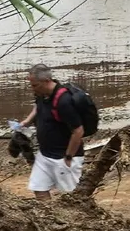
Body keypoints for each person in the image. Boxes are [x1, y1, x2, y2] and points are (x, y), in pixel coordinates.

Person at [18, 64, 85, 198]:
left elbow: (78, 131)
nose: (32, 89)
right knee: (39, 188)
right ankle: (50, 217)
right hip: (45, 154)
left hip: (64, 157)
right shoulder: (42, 94)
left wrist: (68, 157)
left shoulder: (63, 101)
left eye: (34, 85)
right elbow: (38, 107)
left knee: (71, 198)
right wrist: (27, 122)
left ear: (47, 81)